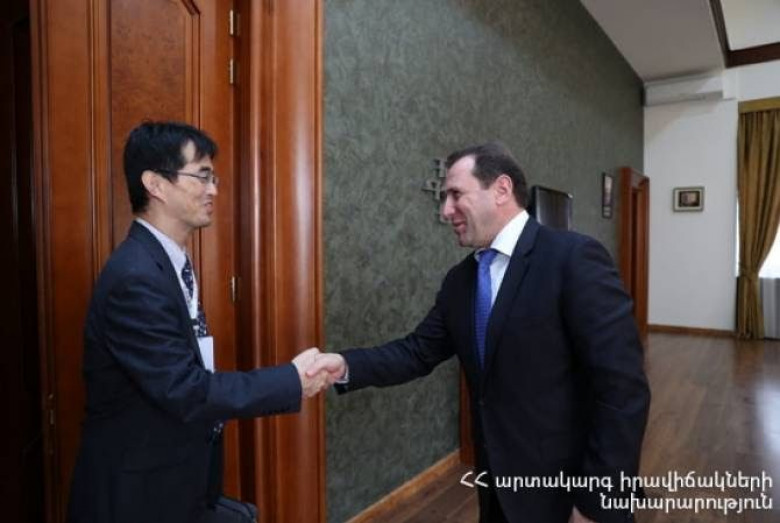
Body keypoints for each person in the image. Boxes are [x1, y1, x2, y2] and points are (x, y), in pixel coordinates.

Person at [309, 142, 651, 523]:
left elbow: (623, 387)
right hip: (497, 488)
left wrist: (599, 502)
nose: (446, 210)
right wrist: (343, 365)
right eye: (445, 198)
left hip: (570, 494)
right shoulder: (460, 281)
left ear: (501, 189)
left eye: (456, 194)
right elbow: (416, 352)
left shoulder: (573, 258)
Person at [67, 121, 329, 523]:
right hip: (137, 493)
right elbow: (186, 389)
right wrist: (291, 380)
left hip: (177, 478)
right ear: (156, 184)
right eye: (202, 176)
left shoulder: (167, 262)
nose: (213, 190)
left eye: (213, 178)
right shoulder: (135, 277)